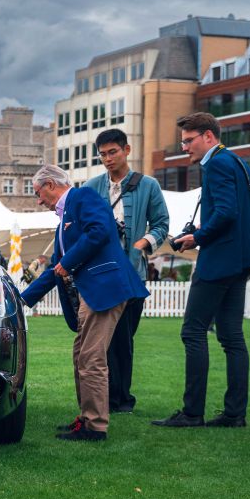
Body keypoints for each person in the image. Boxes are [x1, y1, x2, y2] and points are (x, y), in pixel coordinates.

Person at [20, 164, 149, 441]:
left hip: (105, 290)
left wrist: (68, 262)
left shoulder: (83, 197)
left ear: (51, 185)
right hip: (96, 292)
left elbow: (99, 231)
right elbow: (55, 269)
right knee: (82, 354)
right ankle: (86, 419)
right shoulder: (64, 221)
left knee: (91, 357)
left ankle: (95, 426)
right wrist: (22, 301)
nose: (38, 200)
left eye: (38, 193)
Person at [152, 112, 250, 429]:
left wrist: (197, 236)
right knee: (231, 336)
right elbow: (232, 212)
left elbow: (227, 212)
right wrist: (204, 229)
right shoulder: (235, 161)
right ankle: (234, 414)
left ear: (208, 137)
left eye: (189, 140)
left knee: (192, 331)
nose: (185, 147)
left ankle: (192, 413)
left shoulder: (216, 164)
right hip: (240, 260)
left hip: (219, 261)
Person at [83, 128, 169, 414]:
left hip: (132, 274)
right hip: (99, 275)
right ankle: (105, 397)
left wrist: (143, 242)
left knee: (124, 339)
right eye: (103, 154)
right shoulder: (91, 187)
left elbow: (161, 224)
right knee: (98, 341)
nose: (107, 159)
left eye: (113, 152)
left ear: (127, 150)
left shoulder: (148, 186)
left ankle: (121, 399)